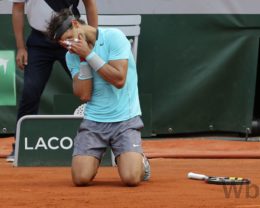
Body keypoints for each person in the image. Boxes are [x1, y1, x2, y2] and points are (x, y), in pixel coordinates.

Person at [46, 9, 151, 186]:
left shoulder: (114, 37)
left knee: (131, 179)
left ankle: (140, 162)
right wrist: (82, 59)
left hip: (125, 119)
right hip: (94, 121)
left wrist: (89, 54)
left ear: (75, 25)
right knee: (80, 179)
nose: (67, 45)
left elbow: (119, 80)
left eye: (68, 38)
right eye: (63, 44)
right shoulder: (72, 56)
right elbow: (84, 95)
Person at [6, 0, 98, 162]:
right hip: (38, 43)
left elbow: (90, 5)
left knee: (92, 88)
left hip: (71, 36)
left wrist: (93, 42)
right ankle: (21, 145)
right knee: (30, 91)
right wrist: (21, 47)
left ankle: (105, 140)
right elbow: (18, 9)